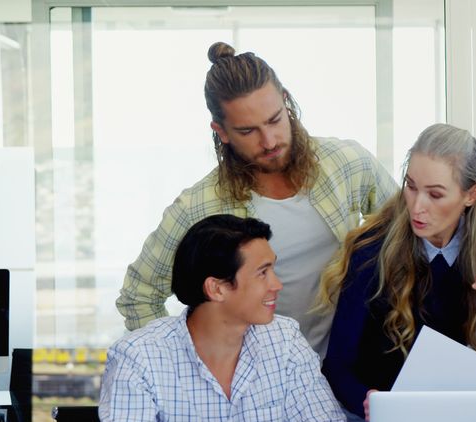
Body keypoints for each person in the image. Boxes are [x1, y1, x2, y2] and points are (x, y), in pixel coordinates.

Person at [116, 42, 397, 359]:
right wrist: (186, 369)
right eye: (248, 131)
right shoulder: (199, 205)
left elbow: (408, 241)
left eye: (275, 120)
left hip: (345, 376)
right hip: (254, 388)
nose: (269, 141)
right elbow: (138, 295)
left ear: (286, 102)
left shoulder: (347, 164)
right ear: (221, 131)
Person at [96, 215, 353, 422]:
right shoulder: (139, 356)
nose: (277, 284)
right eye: (262, 273)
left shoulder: (284, 339)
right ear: (217, 288)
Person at [319, 123, 476, 422]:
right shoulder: (371, 251)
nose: (417, 207)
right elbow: (337, 366)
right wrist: (367, 399)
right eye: (411, 187)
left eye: (435, 195)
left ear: (471, 195)